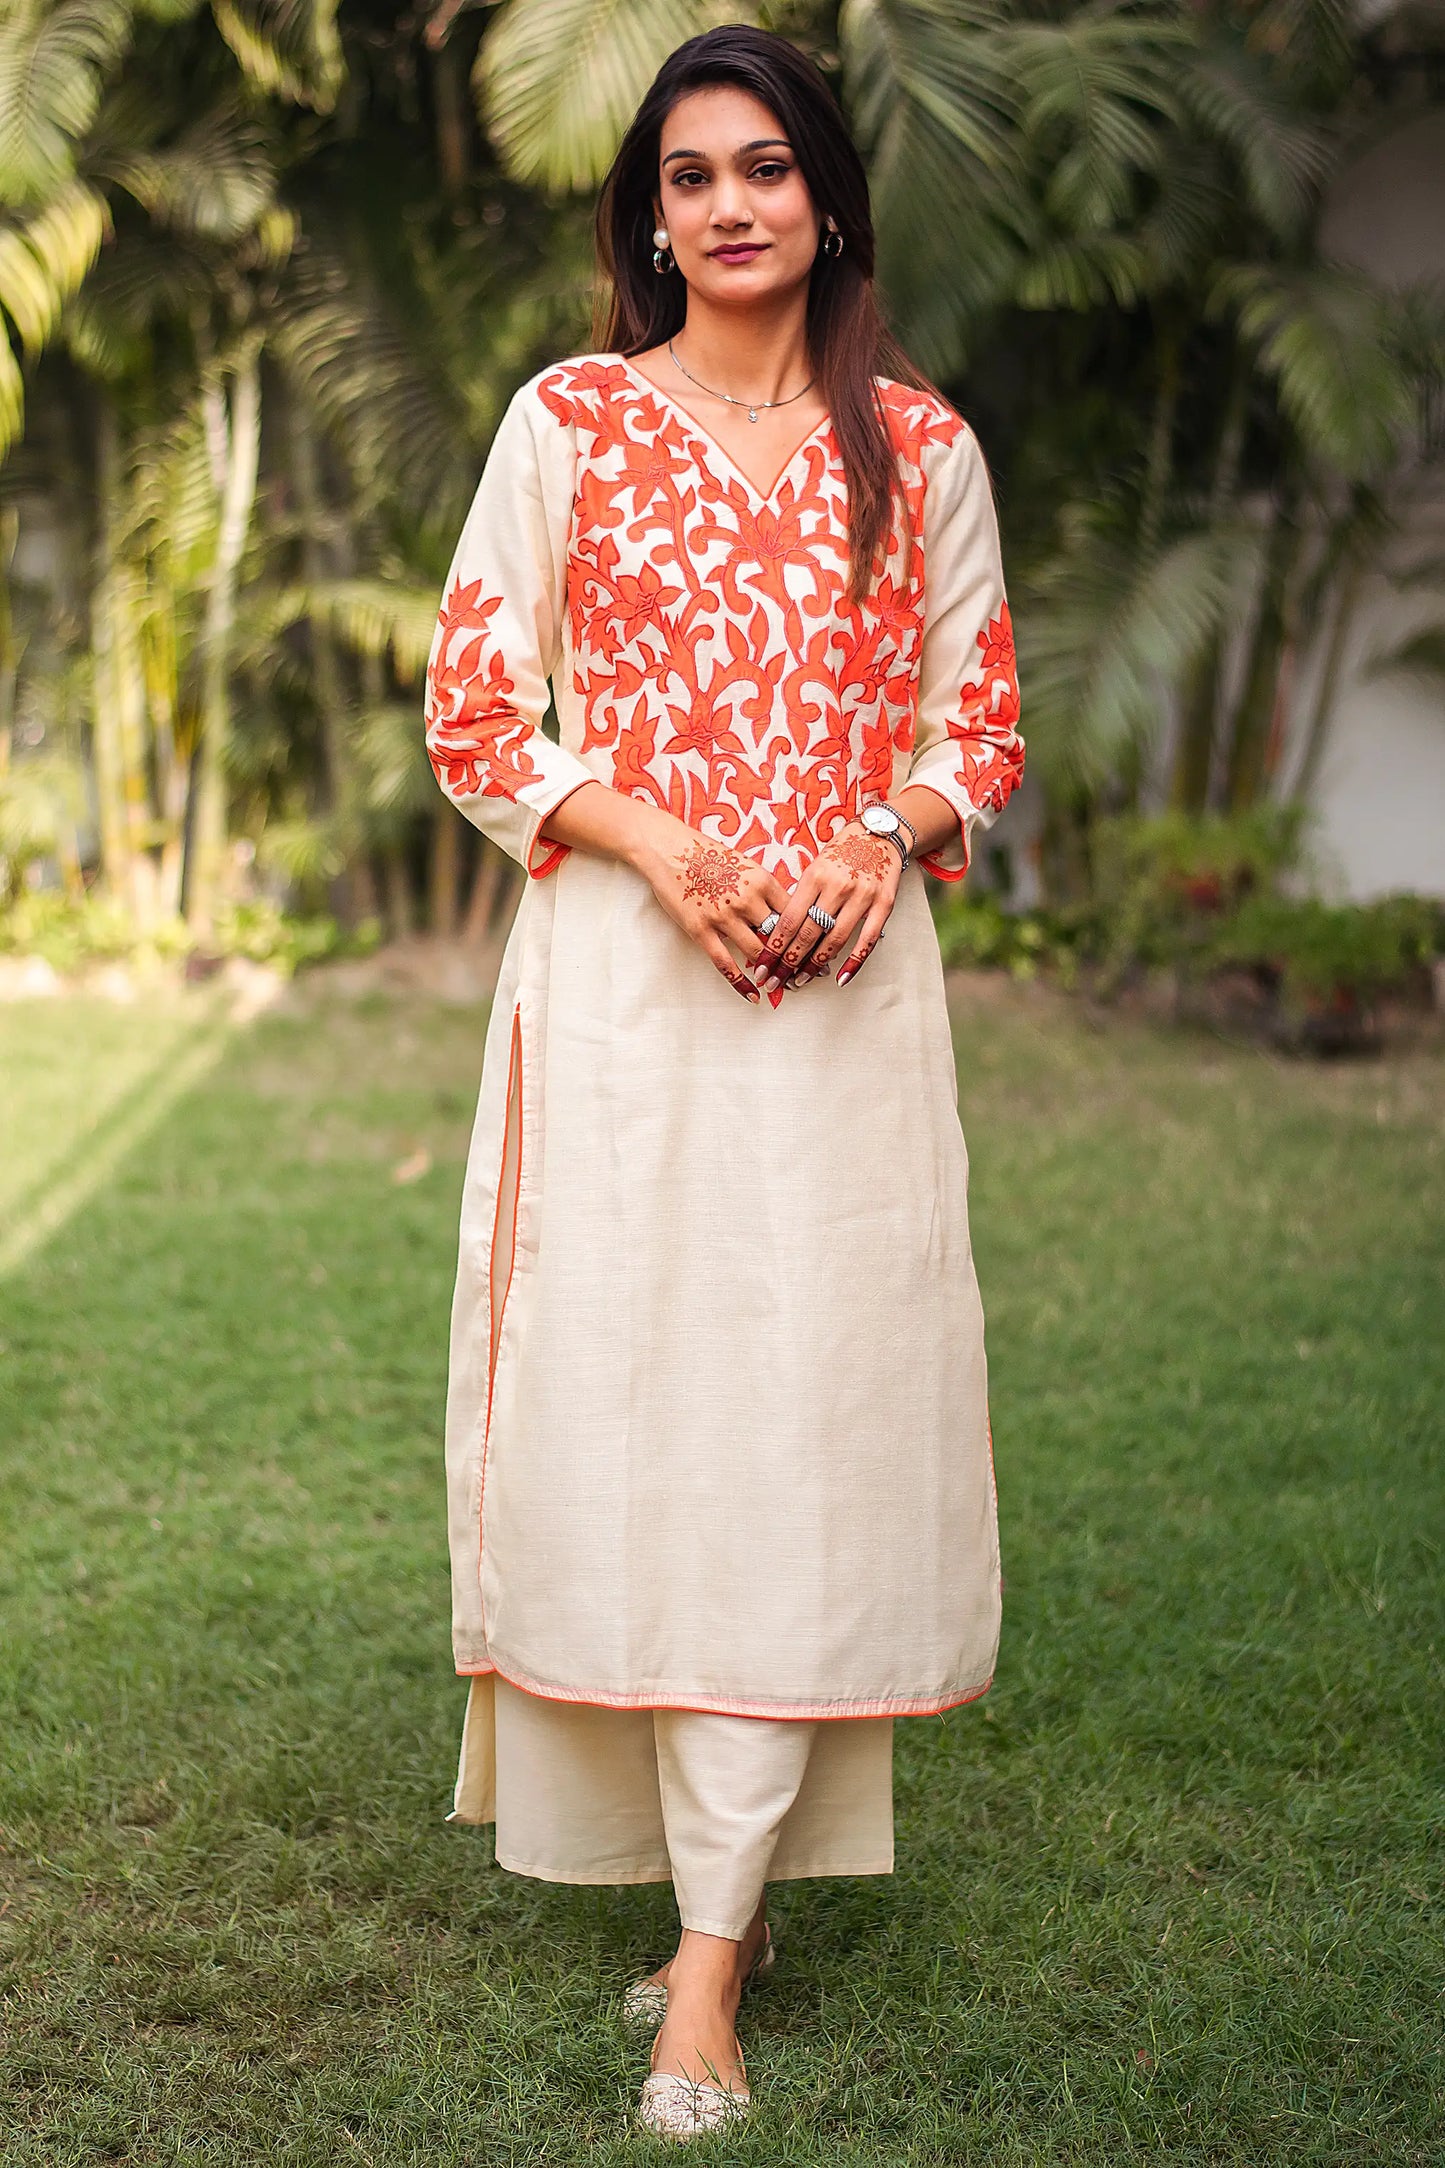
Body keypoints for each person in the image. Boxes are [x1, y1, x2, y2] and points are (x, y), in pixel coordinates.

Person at [423, 23, 1024, 2142]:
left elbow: (983, 724)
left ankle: (704, 1966)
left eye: (767, 167)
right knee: (647, 1423)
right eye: (691, 176)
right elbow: (481, 707)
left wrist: (889, 840)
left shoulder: (920, 449)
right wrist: (668, 849)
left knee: (801, 1442)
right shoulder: (570, 423)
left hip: (845, 1013)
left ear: (831, 197)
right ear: (649, 214)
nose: (733, 205)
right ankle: (708, 1894)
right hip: (623, 998)